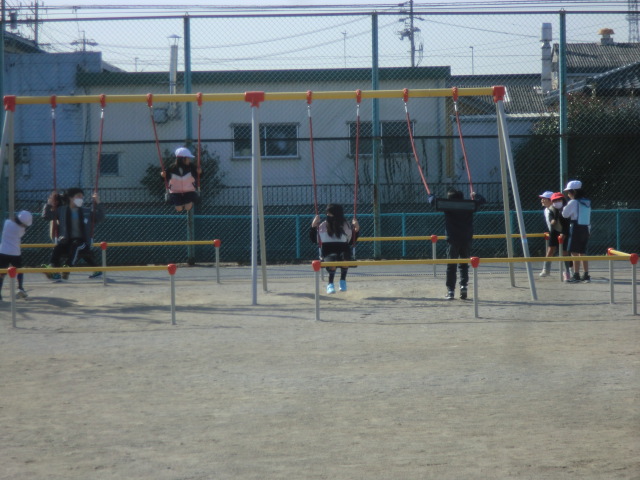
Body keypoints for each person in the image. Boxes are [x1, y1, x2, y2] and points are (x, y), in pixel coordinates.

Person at [429, 189, 486, 300]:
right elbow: (482, 200)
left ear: (450, 198)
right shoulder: (469, 205)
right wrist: (475, 194)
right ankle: (463, 286)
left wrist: (431, 195)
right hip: (466, 238)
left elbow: (433, 202)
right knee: (464, 264)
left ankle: (450, 290)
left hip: (452, 238)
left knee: (451, 265)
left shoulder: (448, 205)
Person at [42, 187, 105, 281]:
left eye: (82, 197)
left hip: (82, 242)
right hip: (67, 241)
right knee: (57, 248)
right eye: (78, 196)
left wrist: (98, 202)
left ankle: (67, 268)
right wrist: (49, 204)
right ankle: (52, 268)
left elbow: (100, 217)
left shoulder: (86, 211)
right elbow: (46, 216)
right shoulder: (62, 210)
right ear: (70, 198)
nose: (81, 199)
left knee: (76, 246)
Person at [310, 204, 359, 294]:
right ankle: (330, 284)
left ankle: (342, 281)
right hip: (328, 251)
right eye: (327, 213)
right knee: (332, 260)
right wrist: (313, 226)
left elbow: (351, 241)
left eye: (330, 213)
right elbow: (314, 239)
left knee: (345, 258)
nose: (328, 215)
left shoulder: (346, 225)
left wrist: (356, 229)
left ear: (337, 214)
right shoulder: (323, 225)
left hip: (343, 249)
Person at [562, 180, 591, 283]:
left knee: (574, 252)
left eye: (569, 192)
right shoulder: (587, 202)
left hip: (575, 227)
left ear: (573, 192)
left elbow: (565, 214)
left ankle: (576, 274)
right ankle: (586, 274)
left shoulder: (573, 202)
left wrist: (566, 205)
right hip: (585, 227)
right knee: (582, 252)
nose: (568, 194)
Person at [0, 210, 33, 300]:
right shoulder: (21, 230)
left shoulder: (7, 223)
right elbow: (22, 228)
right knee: (19, 270)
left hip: (3, 251)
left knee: (1, 273)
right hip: (15, 253)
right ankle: (20, 288)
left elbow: (11, 220)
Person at [162, 147, 202, 212]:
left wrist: (200, 172)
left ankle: (186, 203)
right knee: (179, 209)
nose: (189, 160)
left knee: (188, 207)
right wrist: (163, 175)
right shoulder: (172, 168)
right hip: (175, 191)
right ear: (182, 159)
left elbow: (199, 176)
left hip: (189, 191)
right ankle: (182, 203)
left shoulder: (191, 167)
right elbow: (165, 179)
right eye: (188, 158)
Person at [548, 192, 573, 281]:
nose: (557, 202)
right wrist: (552, 220)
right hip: (554, 232)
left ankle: (567, 271)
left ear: (563, 200)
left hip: (564, 232)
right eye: (555, 201)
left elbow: (567, 224)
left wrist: (564, 233)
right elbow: (551, 219)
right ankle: (546, 269)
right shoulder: (551, 209)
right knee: (550, 249)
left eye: (559, 200)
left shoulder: (566, 210)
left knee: (564, 252)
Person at [537, 191, 554, 277]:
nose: (542, 201)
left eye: (544, 199)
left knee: (566, 252)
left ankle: (570, 270)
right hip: (553, 233)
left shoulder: (555, 209)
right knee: (550, 251)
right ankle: (546, 270)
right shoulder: (546, 210)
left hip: (561, 232)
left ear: (550, 200)